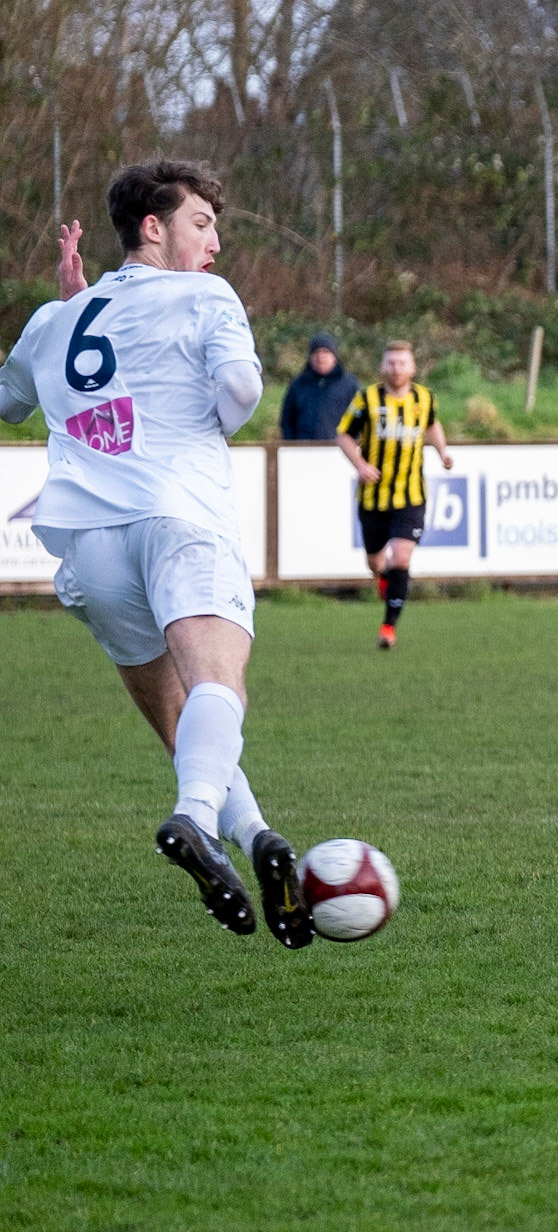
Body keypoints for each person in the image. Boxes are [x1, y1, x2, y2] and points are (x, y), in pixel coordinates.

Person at [0, 161, 315, 948]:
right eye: (202, 223)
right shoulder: (208, 296)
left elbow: (7, 400)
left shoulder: (55, 318)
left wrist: (74, 315)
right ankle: (196, 821)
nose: (216, 241)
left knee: (177, 713)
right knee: (216, 682)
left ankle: (254, 837)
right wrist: (216, 417)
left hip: (89, 548)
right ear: (154, 227)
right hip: (181, 517)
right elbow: (241, 392)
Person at [336, 340, 452, 649]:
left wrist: (442, 451)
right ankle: (383, 578)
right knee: (376, 562)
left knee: (401, 556)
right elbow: (344, 434)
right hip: (373, 497)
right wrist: (359, 464)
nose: (396, 368)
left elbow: (433, 424)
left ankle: (388, 626)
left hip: (410, 496)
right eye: (391, 362)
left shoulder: (424, 398)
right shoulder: (367, 399)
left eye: (402, 363)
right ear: (382, 366)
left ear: (412, 367)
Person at [279, 332, 361, 441]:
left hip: (339, 451)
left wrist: (351, 444)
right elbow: (287, 420)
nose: (320, 357)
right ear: (310, 357)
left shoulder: (350, 385)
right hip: (303, 451)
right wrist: (292, 444)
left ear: (334, 356)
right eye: (316, 352)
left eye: (325, 352)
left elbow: (359, 418)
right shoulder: (298, 385)